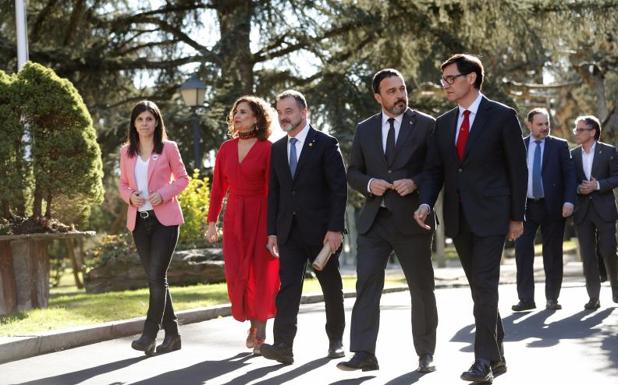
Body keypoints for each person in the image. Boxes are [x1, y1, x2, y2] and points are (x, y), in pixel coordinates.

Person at [414, 54, 527, 383]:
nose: (445, 85)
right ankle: (498, 353)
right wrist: (424, 203)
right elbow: (435, 170)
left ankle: (483, 362)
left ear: (472, 78)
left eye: (451, 78)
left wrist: (516, 217)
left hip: (493, 215)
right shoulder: (444, 123)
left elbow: (518, 171)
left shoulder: (503, 116)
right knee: (480, 288)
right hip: (459, 218)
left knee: (485, 284)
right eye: (443, 79)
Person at [337, 69, 438, 373]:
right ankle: (364, 352)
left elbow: (436, 170)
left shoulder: (426, 125)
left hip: (412, 220)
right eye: (391, 91)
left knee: (421, 288)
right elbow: (353, 172)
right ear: (378, 97)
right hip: (375, 221)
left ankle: (425, 353)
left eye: (402, 89)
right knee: (367, 284)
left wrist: (416, 183)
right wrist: (369, 184)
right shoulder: (365, 129)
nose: (399, 96)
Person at [260, 90, 347, 365]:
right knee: (287, 288)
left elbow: (338, 189)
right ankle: (284, 346)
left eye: (289, 111)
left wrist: (335, 228)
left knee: (331, 287)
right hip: (288, 232)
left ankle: (336, 340)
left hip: (323, 233)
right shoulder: (276, 149)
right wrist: (272, 230)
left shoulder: (325, 143)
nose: (283, 116)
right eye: (280, 112)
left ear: (303, 111)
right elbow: (274, 192)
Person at [206, 95, 280, 355]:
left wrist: (274, 228)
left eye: (244, 112)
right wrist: (212, 221)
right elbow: (217, 188)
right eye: (235, 112)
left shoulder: (268, 148)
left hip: (261, 214)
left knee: (261, 273)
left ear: (257, 118)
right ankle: (251, 322)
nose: (237, 116)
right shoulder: (226, 148)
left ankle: (260, 330)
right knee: (238, 273)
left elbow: (273, 190)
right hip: (235, 216)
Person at [119, 100, 189, 356]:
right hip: (139, 221)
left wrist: (164, 193)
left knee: (156, 276)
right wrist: (130, 197)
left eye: (149, 119)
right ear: (134, 124)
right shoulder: (126, 152)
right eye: (140, 119)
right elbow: (123, 183)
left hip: (165, 221)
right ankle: (173, 336)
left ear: (157, 122)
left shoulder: (168, 148)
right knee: (156, 277)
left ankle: (149, 334)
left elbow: (183, 178)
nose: (145, 124)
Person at [512, 108, 576, 311]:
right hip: (525, 208)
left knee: (553, 253)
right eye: (540, 124)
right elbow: (511, 178)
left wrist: (569, 201)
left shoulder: (559, 145)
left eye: (546, 123)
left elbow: (570, 176)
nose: (545, 127)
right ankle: (526, 299)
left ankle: (552, 298)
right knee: (522, 252)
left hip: (553, 207)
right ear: (529, 124)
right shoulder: (518, 146)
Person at [570, 115, 618, 310]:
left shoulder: (609, 152)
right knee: (588, 256)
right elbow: (569, 180)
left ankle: (616, 291)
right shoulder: (572, 155)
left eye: (580, 129)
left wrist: (597, 185)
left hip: (604, 210)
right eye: (576, 129)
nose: (576, 133)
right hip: (582, 212)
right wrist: (578, 189)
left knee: (608, 251)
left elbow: (616, 176)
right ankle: (593, 297)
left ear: (592, 131)